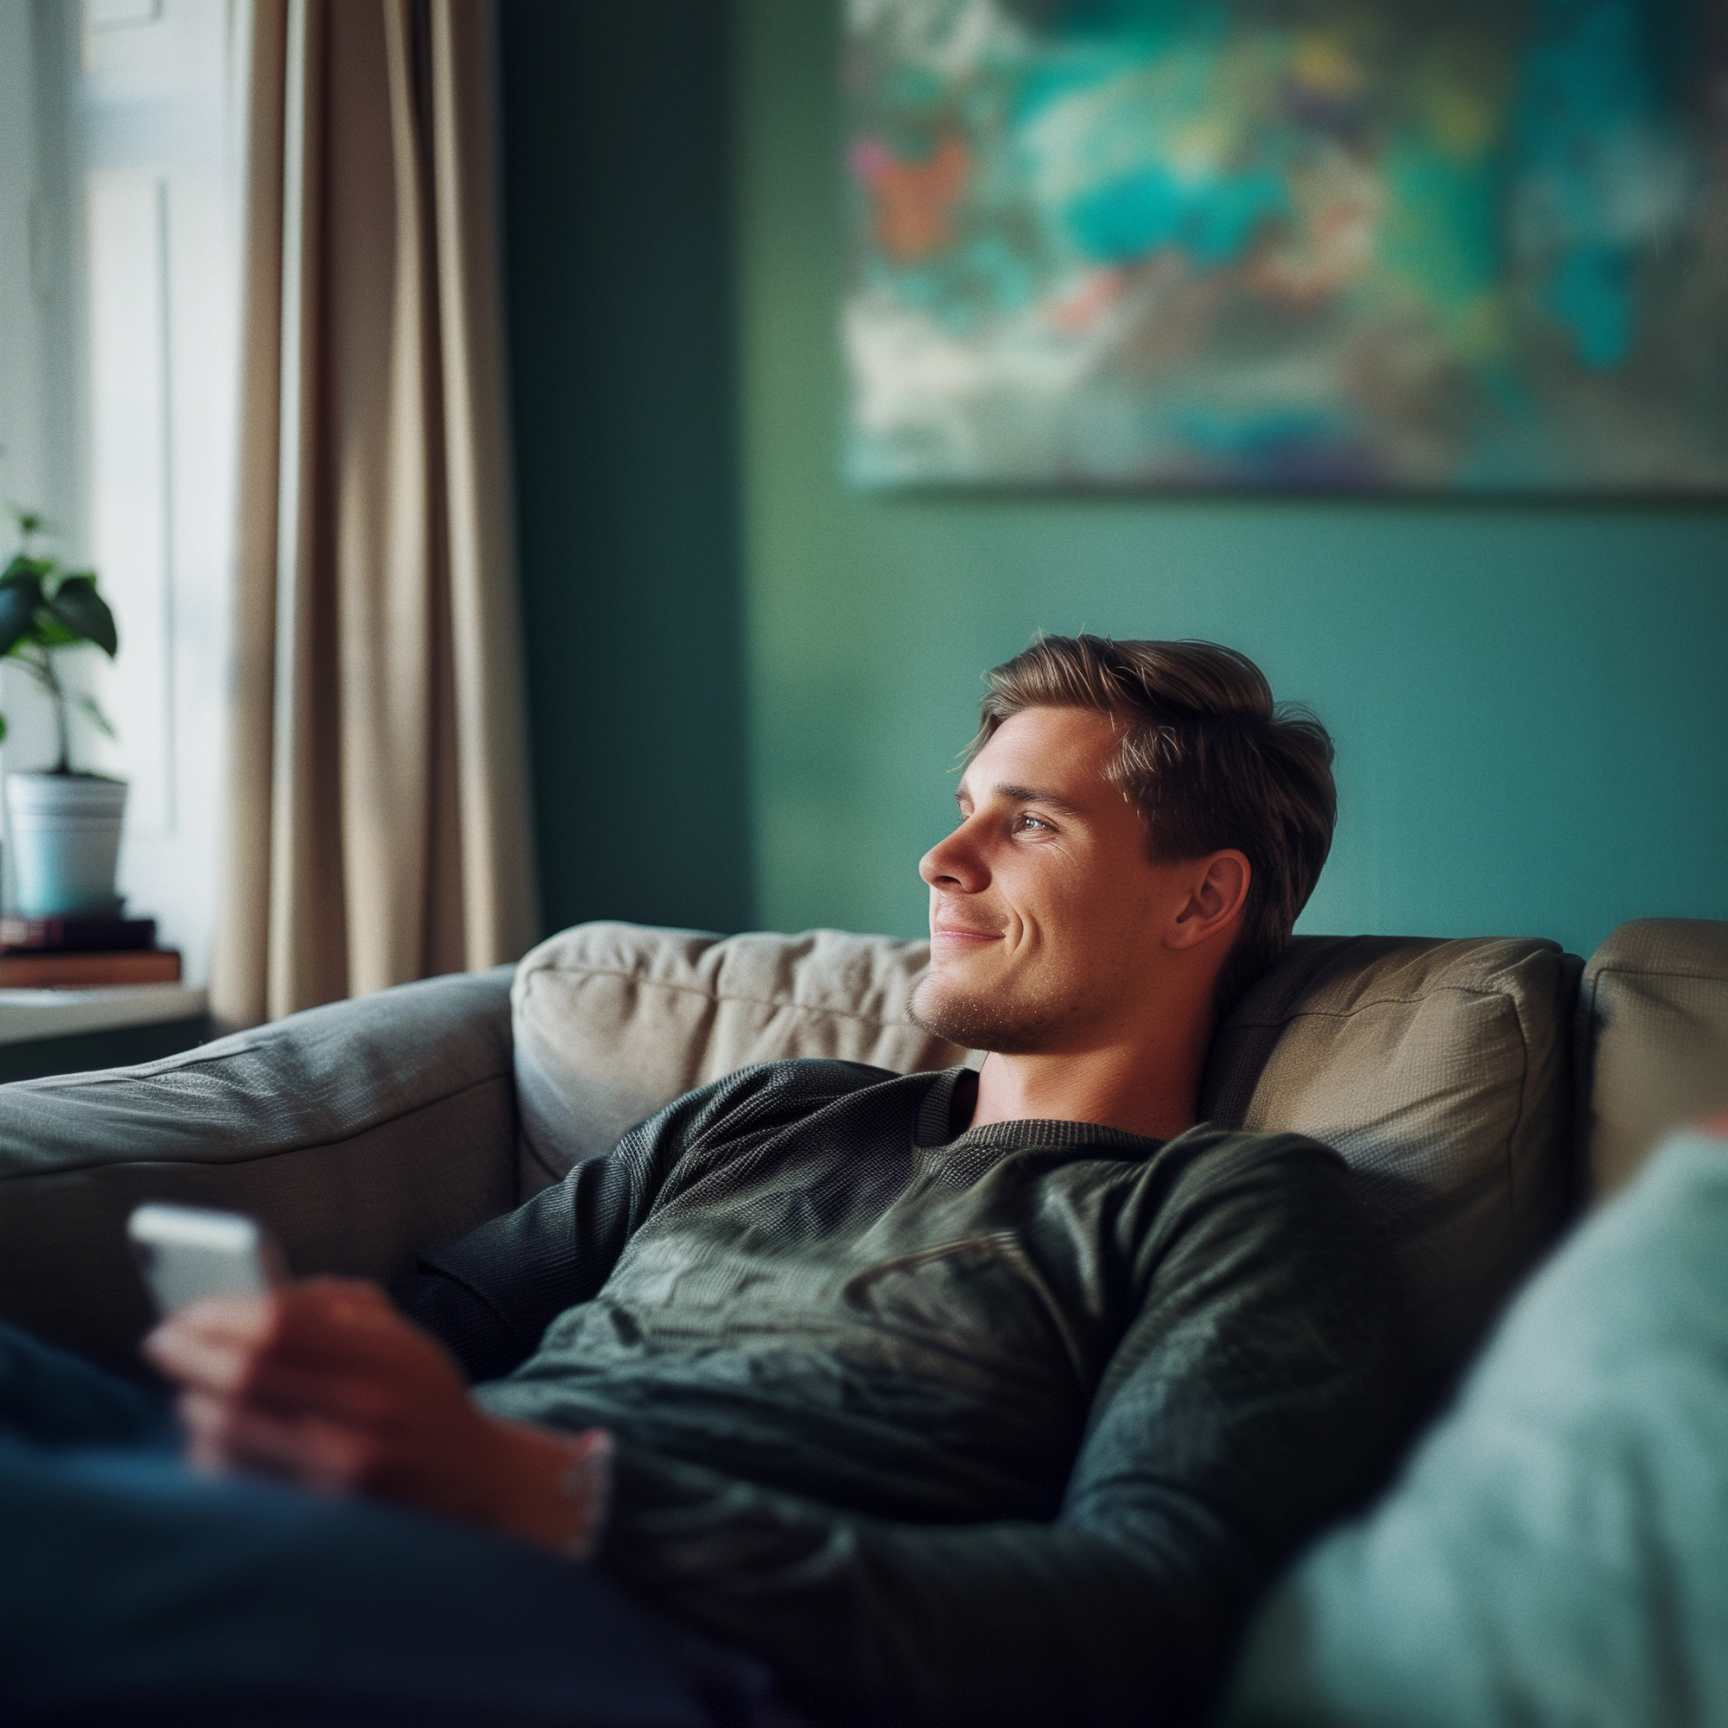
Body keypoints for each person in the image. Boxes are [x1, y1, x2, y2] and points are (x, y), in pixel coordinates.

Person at [0, 636, 1411, 1728]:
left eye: (1027, 825)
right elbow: (436, 1319)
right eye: (964, 810)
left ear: (1201, 899)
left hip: (644, 1643)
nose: (939, 859)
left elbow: (1143, 1621)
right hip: (387, 1526)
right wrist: (288, 1378)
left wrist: (560, 1499)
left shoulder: (1230, 1209)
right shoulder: (776, 1109)